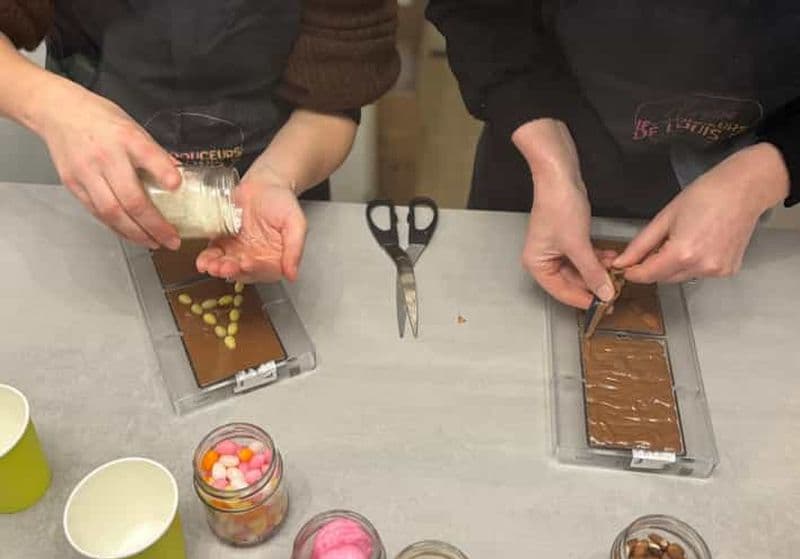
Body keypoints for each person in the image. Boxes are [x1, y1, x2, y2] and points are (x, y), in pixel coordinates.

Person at [427, 1, 798, 308]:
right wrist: (551, 164)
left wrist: (763, 175)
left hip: (742, 161)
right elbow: (477, 12)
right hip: (549, 130)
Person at [0, 0, 399, 282]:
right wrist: (52, 106)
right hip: (99, 206)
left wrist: (277, 177)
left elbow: (336, 91)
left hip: (271, 198)